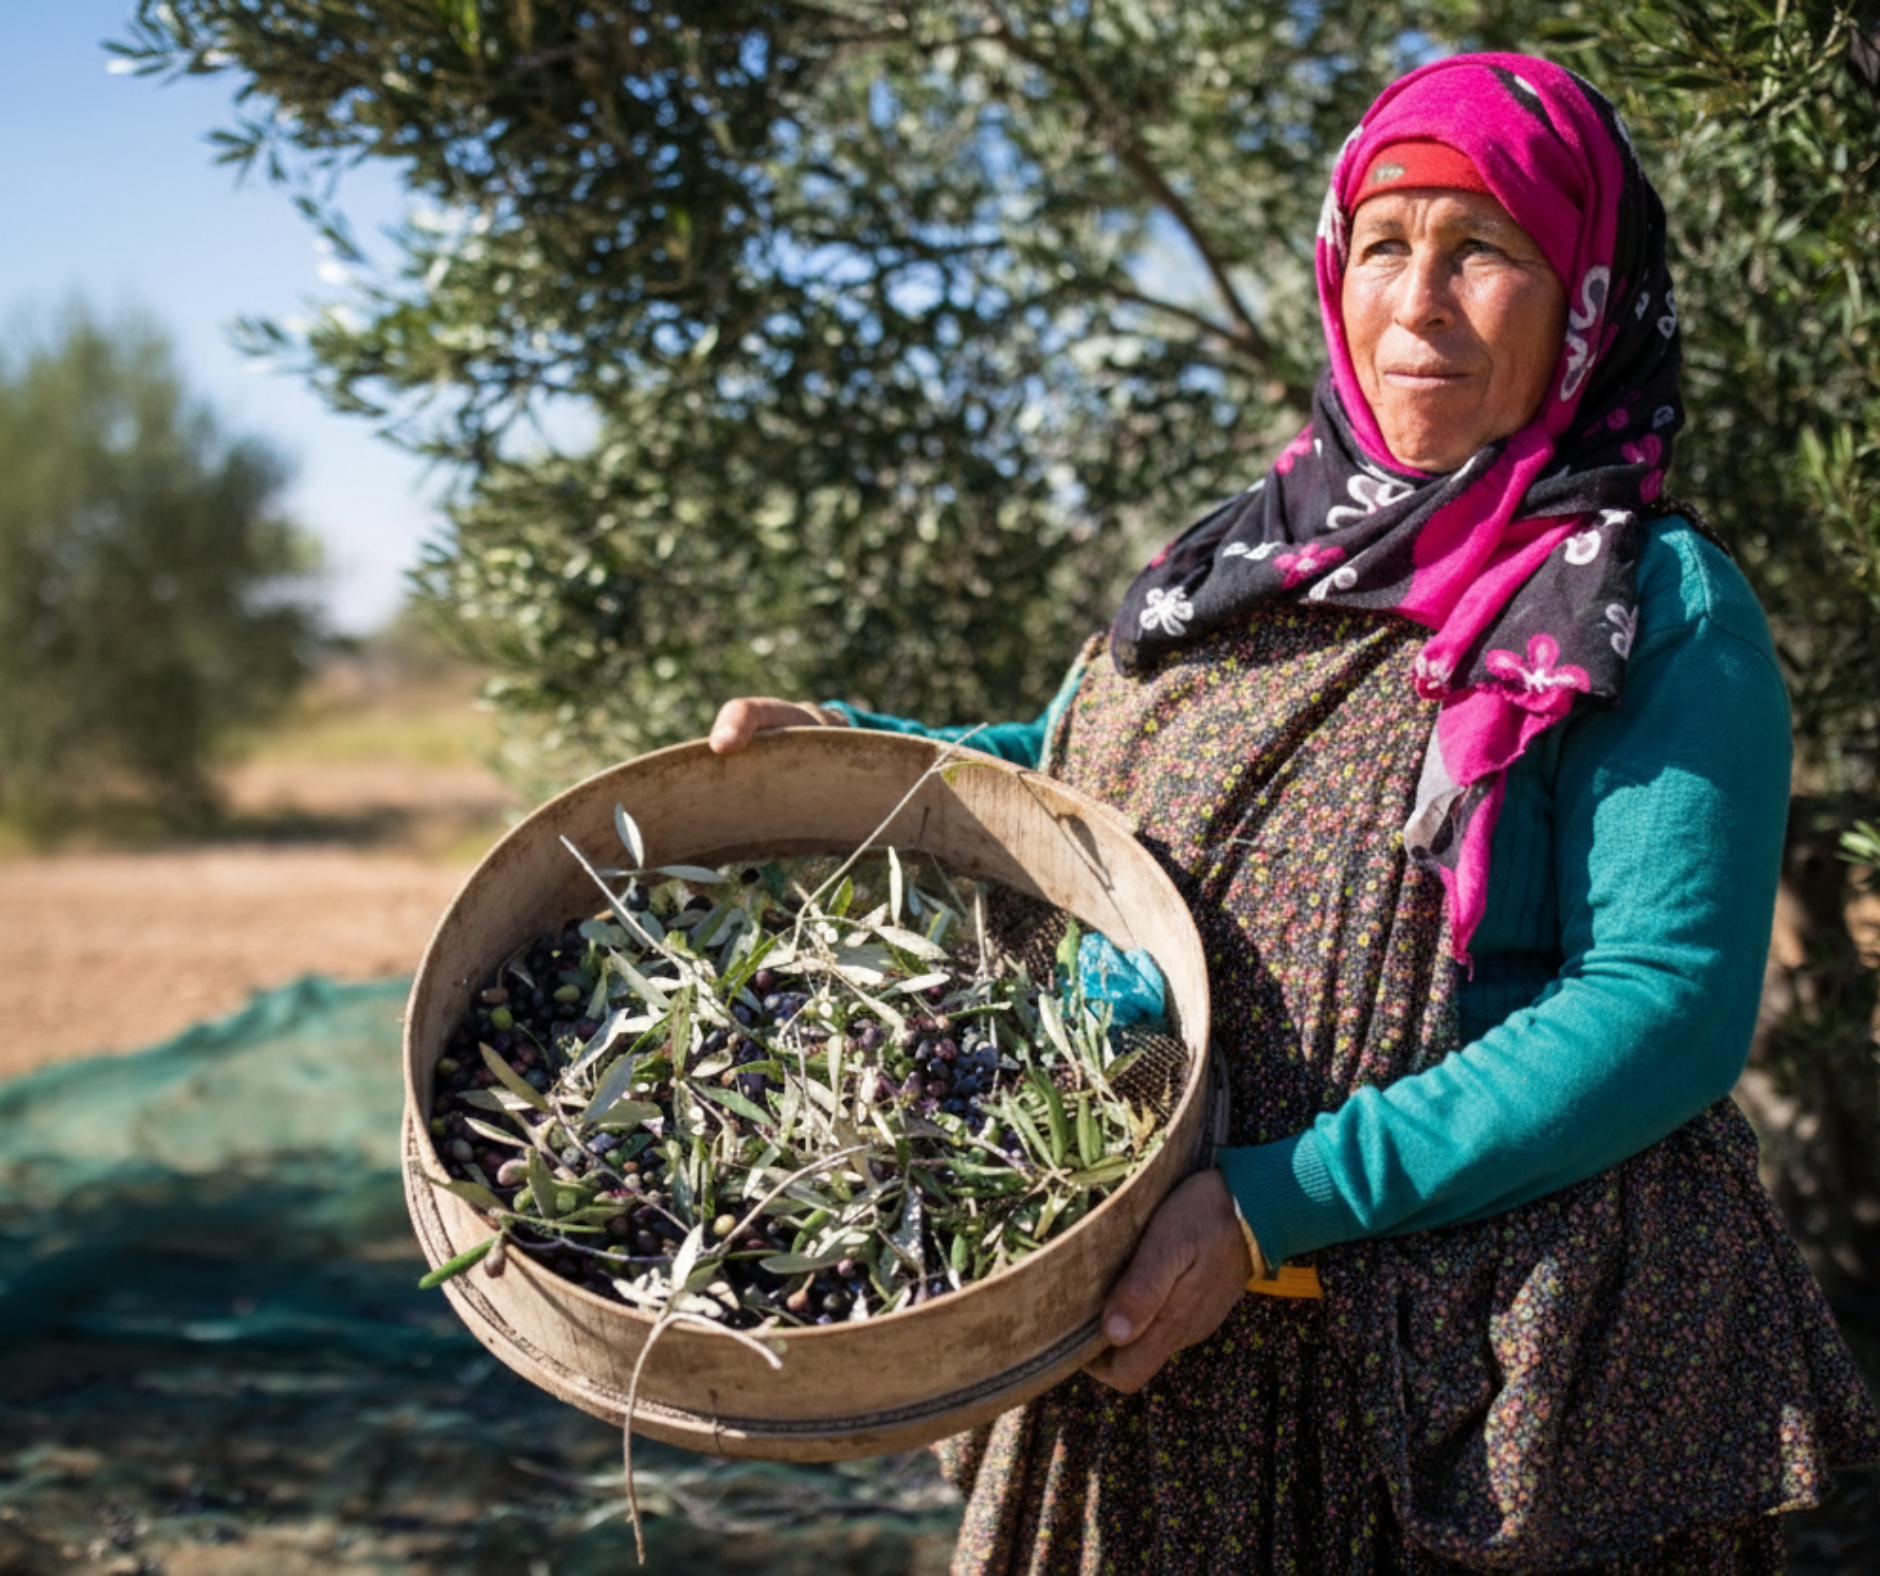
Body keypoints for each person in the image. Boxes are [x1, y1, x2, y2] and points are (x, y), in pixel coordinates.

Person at [710, 53, 1880, 1573]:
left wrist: (1275, 1204)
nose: (1419, 303)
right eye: (1386, 245)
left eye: (1486, 251)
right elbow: (1085, 784)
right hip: (1163, 1356)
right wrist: (862, 762)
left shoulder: (1649, 604)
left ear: (1587, 297)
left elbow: (1661, 1005)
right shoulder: (1240, 565)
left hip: (1470, 1385)